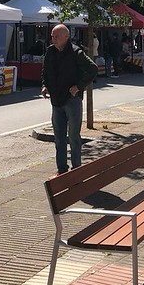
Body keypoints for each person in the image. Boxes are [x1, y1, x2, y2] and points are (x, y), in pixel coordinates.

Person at [41, 24, 98, 175]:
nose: (53, 39)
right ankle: (62, 169)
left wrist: (79, 86)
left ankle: (76, 168)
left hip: (71, 100)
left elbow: (92, 69)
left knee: (73, 137)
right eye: (52, 36)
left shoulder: (75, 52)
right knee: (59, 138)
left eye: (56, 36)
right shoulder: (50, 52)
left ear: (66, 37)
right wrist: (45, 86)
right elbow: (45, 72)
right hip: (56, 100)